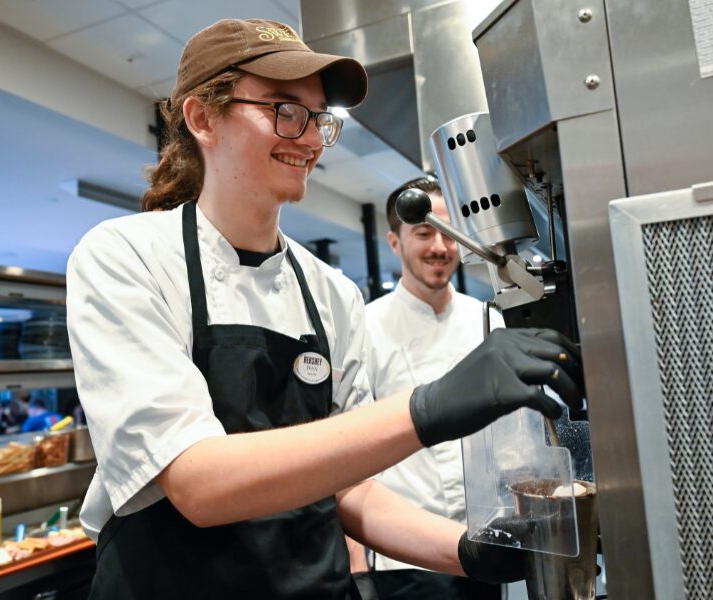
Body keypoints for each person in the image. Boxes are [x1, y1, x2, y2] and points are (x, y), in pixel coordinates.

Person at [65, 18, 584, 599]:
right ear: (202, 118)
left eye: (319, 118)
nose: (310, 138)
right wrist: (429, 408)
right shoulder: (126, 257)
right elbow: (197, 482)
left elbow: (348, 489)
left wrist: (464, 551)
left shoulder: (330, 291)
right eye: (285, 110)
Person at [347, 177, 505, 599]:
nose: (439, 245)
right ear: (395, 243)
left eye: (447, 232)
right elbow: (349, 460)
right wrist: (359, 570)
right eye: (423, 231)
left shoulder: (489, 321)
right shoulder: (364, 327)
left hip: (488, 546)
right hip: (406, 559)